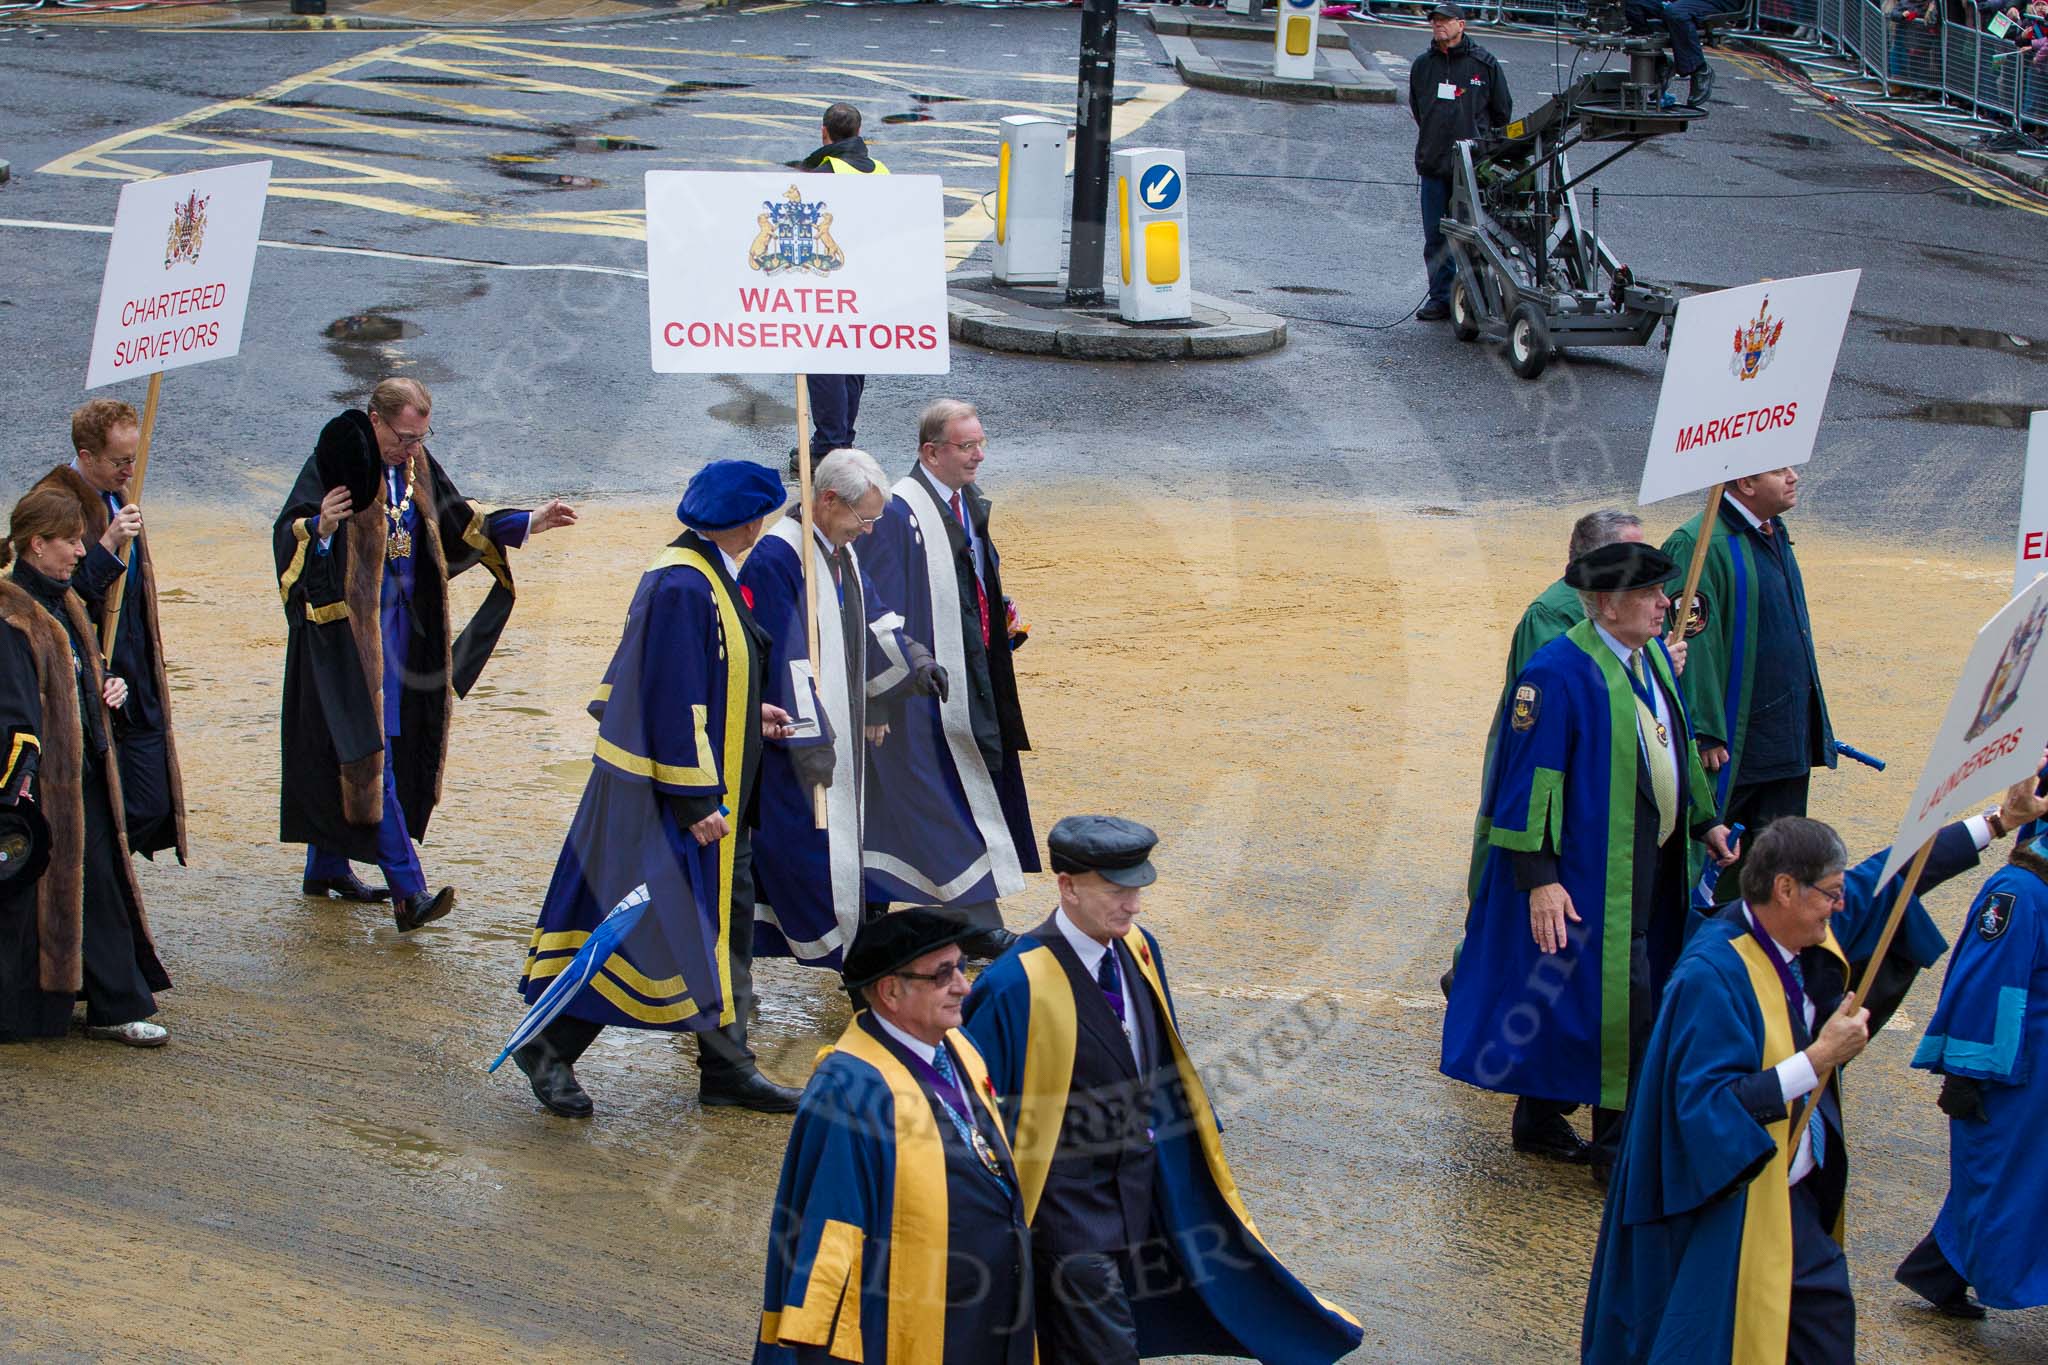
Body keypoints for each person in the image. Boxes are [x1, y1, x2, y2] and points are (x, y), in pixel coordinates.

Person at [962, 815, 1364, 1365]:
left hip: (1147, 1193)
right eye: (1116, 892)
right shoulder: (1014, 984)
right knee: (1106, 1350)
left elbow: (1162, 1060)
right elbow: (977, 1114)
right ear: (1068, 886)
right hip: (1067, 1212)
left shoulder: (1139, 949)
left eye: (1137, 890)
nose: (1132, 906)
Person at [513, 460, 802, 1119]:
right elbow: (667, 695)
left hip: (706, 786)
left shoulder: (700, 569)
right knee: (643, 923)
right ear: (752, 521)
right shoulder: (682, 582)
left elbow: (699, 673)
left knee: (720, 927)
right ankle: (550, 1046)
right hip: (670, 798)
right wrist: (695, 799)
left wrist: (744, 709)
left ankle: (728, 1070)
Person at [1442, 541, 1734, 1178]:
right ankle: (1617, 1153)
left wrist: (1704, 820)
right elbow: (1529, 784)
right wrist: (1540, 882)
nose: (1666, 604)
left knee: (1589, 995)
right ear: (1607, 603)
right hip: (1588, 871)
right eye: (1651, 594)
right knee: (1621, 1003)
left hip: (1647, 861)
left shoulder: (1649, 656)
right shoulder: (1555, 673)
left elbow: (1671, 745)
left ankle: (1540, 1120)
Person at [1581, 816, 1916, 1364]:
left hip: (1793, 1201)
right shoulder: (1710, 975)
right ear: (1785, 889)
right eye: (1831, 894)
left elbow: (1892, 876)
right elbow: (1711, 1108)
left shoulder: (1792, 928)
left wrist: (1997, 823)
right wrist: (1817, 1060)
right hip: (1728, 1203)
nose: (1840, 908)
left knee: (1825, 1331)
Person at [274, 378, 575, 931]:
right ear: (375, 420)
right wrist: (320, 527)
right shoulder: (337, 461)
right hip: (346, 638)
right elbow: (287, 534)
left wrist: (531, 520)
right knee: (369, 754)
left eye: (419, 436)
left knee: (364, 748)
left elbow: (463, 520)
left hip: (404, 635)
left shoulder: (417, 467)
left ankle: (326, 866)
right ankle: (408, 892)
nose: (411, 447)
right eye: (403, 436)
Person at [756, 907, 1033, 1364]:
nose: (964, 986)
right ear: (890, 991)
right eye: (943, 975)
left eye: (962, 967)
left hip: (985, 1306)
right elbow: (831, 1240)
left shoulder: (957, 1045)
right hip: (905, 1323)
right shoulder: (848, 1092)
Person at [741, 448, 946, 970]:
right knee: (797, 864)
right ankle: (844, 968)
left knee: (823, 863)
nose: (871, 530)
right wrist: (807, 741)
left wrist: (916, 661)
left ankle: (850, 962)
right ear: (828, 500)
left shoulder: (838, 547)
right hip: (791, 746)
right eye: (864, 517)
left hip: (836, 738)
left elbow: (872, 616)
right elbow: (780, 661)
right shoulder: (778, 558)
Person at [860, 399, 1037, 957]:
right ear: (930, 452)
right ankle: (975, 922)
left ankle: (875, 922)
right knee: (937, 803)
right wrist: (881, 698)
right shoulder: (897, 512)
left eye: (981, 443)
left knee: (926, 807)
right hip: (918, 694)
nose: (979, 455)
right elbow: (875, 603)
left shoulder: (965, 504)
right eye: (966, 446)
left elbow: (969, 578)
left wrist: (990, 608)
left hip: (968, 679)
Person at [0, 486, 171, 1047]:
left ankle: (113, 1002)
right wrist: (18, 788)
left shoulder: (64, 600)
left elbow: (74, 675)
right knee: (34, 901)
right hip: (40, 787)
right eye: (70, 542)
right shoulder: (11, 616)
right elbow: (16, 709)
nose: (80, 551)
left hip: (82, 775)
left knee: (97, 886)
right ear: (35, 544)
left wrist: (104, 686)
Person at [1897, 818, 2048, 1319]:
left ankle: (1938, 1269)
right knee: (2004, 1182)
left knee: (2017, 1185)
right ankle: (1945, 1269)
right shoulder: (2019, 890)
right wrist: (1965, 1074)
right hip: (2015, 1072)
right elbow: (1987, 985)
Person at [1661, 466, 1834, 897]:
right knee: (1724, 873)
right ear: (1745, 484)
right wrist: (1704, 730)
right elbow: (1692, 641)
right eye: (1780, 470)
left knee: (1782, 869)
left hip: (1785, 739)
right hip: (1736, 750)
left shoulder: (1771, 530)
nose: (1794, 477)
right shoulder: (1699, 543)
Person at [37, 399, 186, 863]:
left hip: (136, 675)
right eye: (119, 461)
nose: (129, 469)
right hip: (96, 677)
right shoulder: (54, 503)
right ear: (85, 456)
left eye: (133, 457)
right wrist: (107, 544)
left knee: (149, 802)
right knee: (106, 807)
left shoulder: (120, 492)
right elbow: (51, 596)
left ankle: (107, 883)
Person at [793, 102, 889, 466]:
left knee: (824, 359)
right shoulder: (880, 170)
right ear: (859, 132)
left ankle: (828, 445)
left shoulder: (825, 170)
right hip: (867, 278)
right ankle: (843, 436)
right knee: (852, 359)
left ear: (824, 132)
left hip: (829, 277)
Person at [1408, 1, 1510, 322]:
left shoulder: (1485, 64)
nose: (1439, 25)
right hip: (1434, 162)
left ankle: (1477, 299)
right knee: (1435, 237)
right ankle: (1440, 298)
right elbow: (1418, 108)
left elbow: (1502, 112)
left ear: (1461, 25)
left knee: (1474, 236)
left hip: (1472, 168)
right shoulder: (1423, 65)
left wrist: (1484, 149)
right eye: (1435, 21)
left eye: (1445, 21)